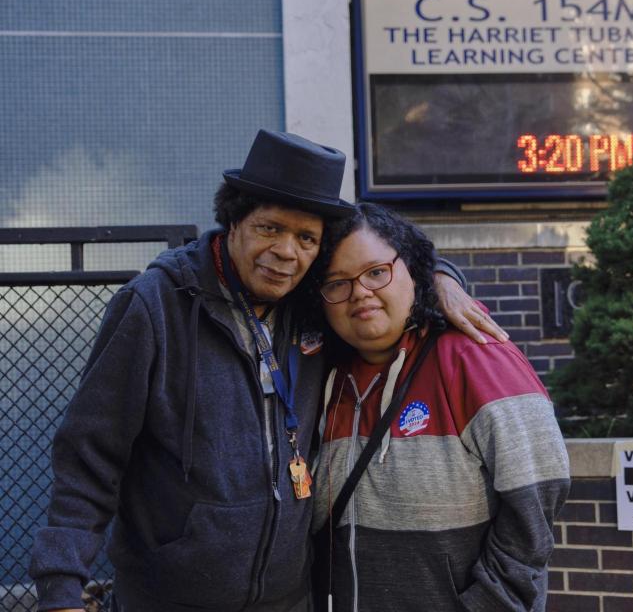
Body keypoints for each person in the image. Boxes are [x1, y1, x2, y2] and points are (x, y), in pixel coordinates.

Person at [28, 130, 507, 612]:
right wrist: (60, 588)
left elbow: (390, 266)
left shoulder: (315, 305)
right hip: (169, 599)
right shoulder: (155, 307)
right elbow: (89, 458)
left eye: (306, 239)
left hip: (289, 601)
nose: (287, 252)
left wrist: (442, 280)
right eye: (270, 228)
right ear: (233, 220)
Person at [310, 203, 571, 611]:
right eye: (337, 283)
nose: (360, 291)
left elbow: (538, 495)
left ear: (413, 271)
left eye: (376, 272)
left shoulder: (474, 356)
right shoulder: (324, 378)